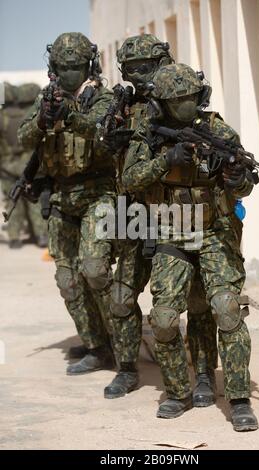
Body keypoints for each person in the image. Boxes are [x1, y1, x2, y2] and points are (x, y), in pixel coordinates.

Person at [122, 63, 259, 431]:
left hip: (214, 231)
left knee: (227, 309)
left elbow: (244, 182)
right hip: (170, 231)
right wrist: (165, 160)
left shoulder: (216, 129)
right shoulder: (148, 134)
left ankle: (239, 397)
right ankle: (178, 392)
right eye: (175, 100)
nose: (184, 105)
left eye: (189, 98)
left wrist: (236, 178)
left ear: (200, 97)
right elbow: (129, 178)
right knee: (164, 318)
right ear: (163, 103)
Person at [100, 35, 218, 408]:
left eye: (147, 66)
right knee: (121, 294)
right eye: (132, 70)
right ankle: (127, 368)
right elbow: (108, 151)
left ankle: (201, 374)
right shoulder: (121, 105)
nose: (141, 76)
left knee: (198, 301)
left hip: (178, 211)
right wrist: (112, 137)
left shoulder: (178, 97)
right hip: (131, 207)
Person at [18, 33, 116, 375]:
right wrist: (45, 119)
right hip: (62, 196)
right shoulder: (46, 98)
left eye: (75, 67)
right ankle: (95, 345)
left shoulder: (101, 98)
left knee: (95, 269)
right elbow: (23, 137)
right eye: (63, 66)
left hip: (99, 195)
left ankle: (123, 342)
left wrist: (70, 113)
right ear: (53, 67)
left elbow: (102, 133)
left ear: (88, 65)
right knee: (67, 278)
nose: (69, 73)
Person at [0, 82, 48, 248]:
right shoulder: (32, 113)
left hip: (8, 165)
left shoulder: (3, 116)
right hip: (30, 164)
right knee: (34, 199)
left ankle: (14, 238)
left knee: (13, 200)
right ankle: (41, 235)